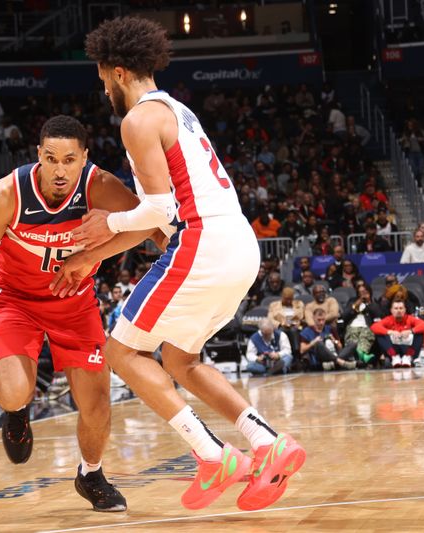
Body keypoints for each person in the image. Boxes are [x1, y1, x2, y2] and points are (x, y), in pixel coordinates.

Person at [52, 16, 305, 512]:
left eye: (103, 78)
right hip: (237, 243)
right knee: (180, 360)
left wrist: (108, 223)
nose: (103, 88)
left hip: (202, 243)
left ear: (119, 71)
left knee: (121, 353)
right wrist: (93, 255)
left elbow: (160, 212)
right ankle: (268, 444)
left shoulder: (139, 119)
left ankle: (212, 455)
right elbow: (156, 222)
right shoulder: (178, 110)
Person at [0, 115, 156, 512]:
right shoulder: (6, 194)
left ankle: (90, 473)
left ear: (84, 158)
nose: (60, 170)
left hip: (75, 303)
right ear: (38, 155)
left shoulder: (103, 188)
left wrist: (94, 253)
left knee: (96, 405)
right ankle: (17, 408)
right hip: (15, 301)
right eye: (51, 158)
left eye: (70, 160)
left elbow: (151, 225)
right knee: (13, 391)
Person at [371, 299, 424, 368]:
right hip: (393, 350)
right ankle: (394, 357)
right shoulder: (388, 319)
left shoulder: (410, 318)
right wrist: (390, 332)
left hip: (408, 349)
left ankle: (408, 357)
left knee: (419, 333)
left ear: (405, 310)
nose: (398, 310)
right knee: (380, 334)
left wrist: (411, 331)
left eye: (401, 308)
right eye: (396, 308)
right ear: (391, 310)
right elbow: (374, 327)